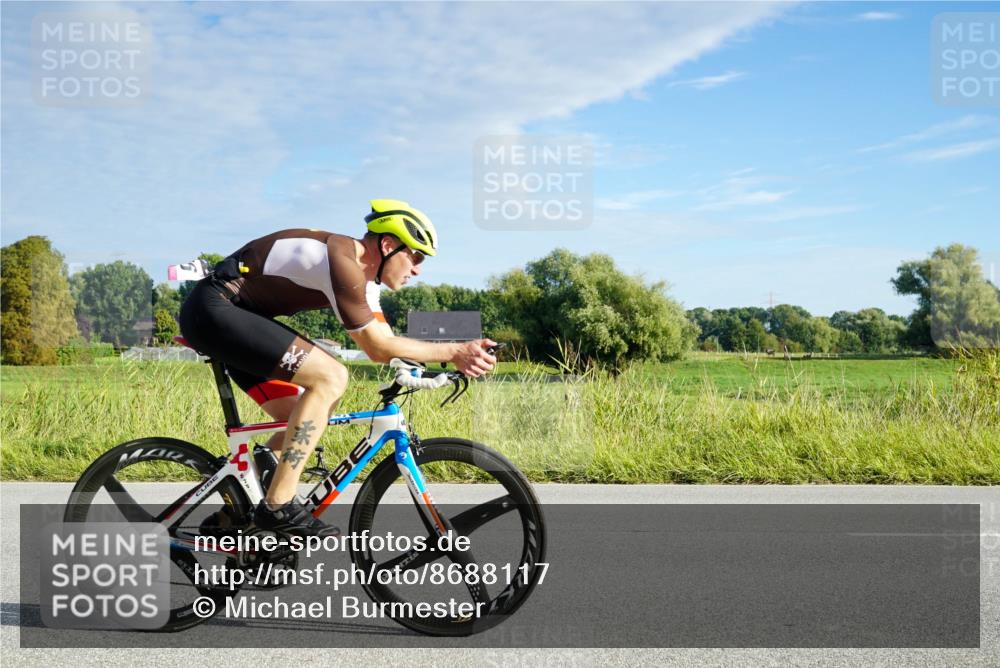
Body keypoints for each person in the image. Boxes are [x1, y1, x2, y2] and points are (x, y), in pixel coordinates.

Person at [178, 199, 497, 536]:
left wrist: (432, 365)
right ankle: (278, 506)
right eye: (415, 256)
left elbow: (386, 342)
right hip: (215, 310)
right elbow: (376, 347)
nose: (417, 269)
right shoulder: (342, 262)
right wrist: (457, 350)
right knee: (331, 376)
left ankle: (238, 514)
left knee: (304, 413)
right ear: (388, 245)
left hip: (240, 319)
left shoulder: (363, 280)